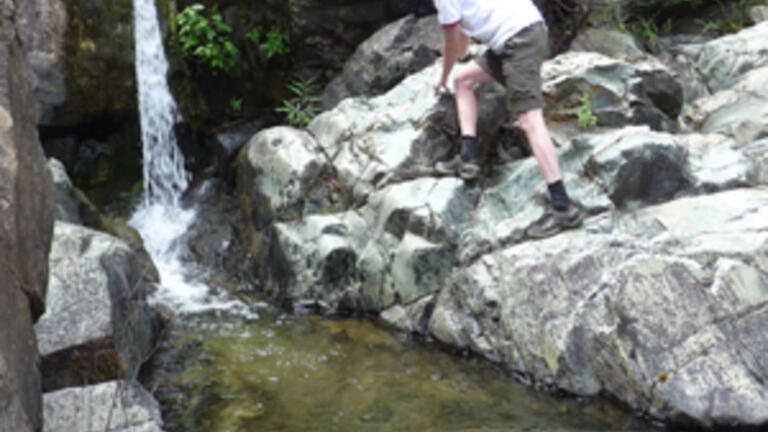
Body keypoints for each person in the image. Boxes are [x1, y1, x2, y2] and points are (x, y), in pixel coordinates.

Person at [432, 0, 583, 238]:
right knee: (463, 81)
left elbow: (453, 43)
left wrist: (442, 76)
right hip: (517, 32)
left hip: (519, 38)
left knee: (529, 119)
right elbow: (460, 45)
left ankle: (563, 206)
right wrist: (452, 59)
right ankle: (468, 158)